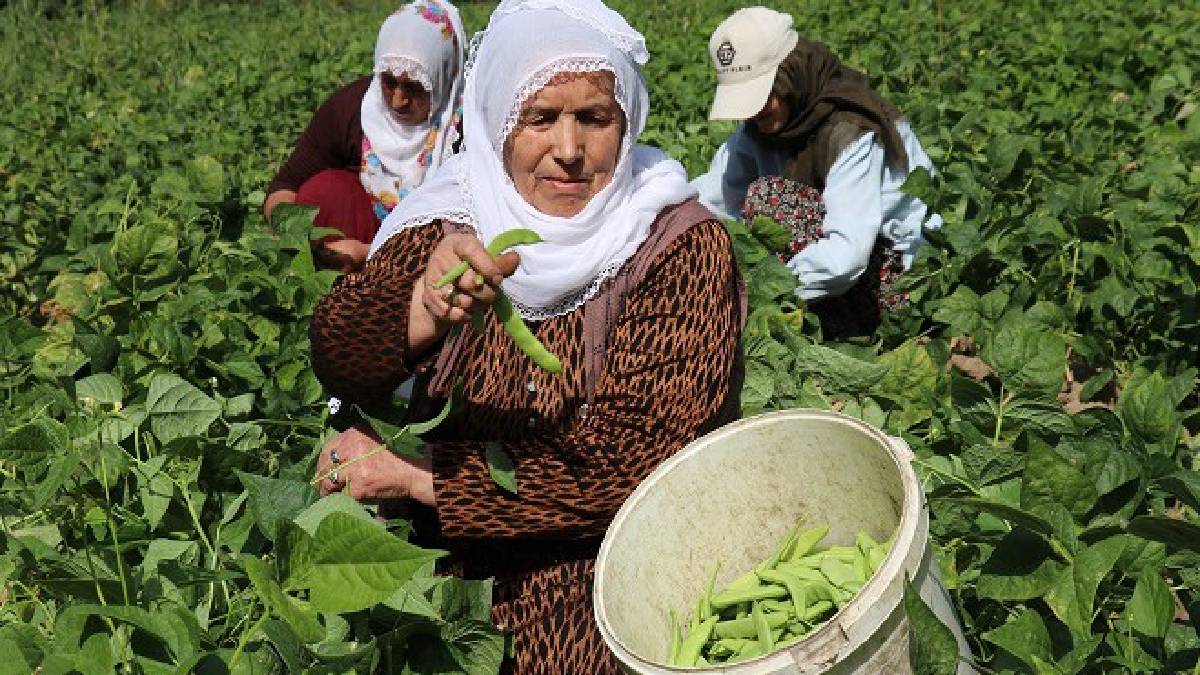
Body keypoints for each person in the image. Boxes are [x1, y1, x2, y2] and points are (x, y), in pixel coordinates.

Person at [307, 0, 745, 671]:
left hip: (607, 574)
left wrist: (422, 478)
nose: (568, 151)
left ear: (627, 123)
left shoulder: (678, 248)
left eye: (595, 119)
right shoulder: (454, 217)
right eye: (540, 118)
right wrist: (424, 307)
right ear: (497, 122)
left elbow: (633, 465)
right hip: (442, 577)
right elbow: (338, 354)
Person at [692, 6, 942, 337]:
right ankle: (826, 322)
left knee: (769, 200)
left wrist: (762, 293)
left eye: (762, 96)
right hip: (835, 269)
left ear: (790, 75)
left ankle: (857, 326)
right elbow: (710, 199)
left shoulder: (849, 130)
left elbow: (846, 256)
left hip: (898, 274)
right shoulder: (762, 127)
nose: (753, 112)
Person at [264, 0, 465, 272]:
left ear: (443, 77)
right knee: (324, 191)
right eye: (389, 82)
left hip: (434, 261)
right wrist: (297, 239)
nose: (398, 100)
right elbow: (284, 187)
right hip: (356, 236)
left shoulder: (465, 127)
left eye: (414, 86)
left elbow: (474, 233)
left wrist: (370, 254)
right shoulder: (353, 108)